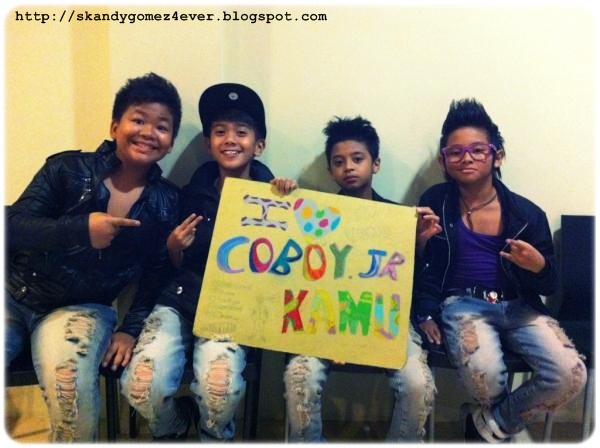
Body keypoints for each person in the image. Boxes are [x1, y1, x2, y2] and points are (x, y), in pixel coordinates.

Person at [5, 72, 182, 442]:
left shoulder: (167, 201)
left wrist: (129, 329)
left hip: (81, 309)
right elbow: (13, 225)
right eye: (138, 120)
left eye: (161, 126)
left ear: (170, 143)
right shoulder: (66, 169)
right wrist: (79, 229)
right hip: (11, 293)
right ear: (115, 126)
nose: (148, 132)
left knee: (73, 407)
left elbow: (156, 273)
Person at [120, 82, 296, 441]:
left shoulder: (275, 199)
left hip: (234, 309)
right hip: (180, 302)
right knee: (141, 385)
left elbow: (288, 263)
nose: (230, 139)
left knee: (219, 391)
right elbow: (168, 265)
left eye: (241, 132)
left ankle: (214, 435)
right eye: (220, 131)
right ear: (208, 142)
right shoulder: (186, 195)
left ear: (259, 145)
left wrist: (288, 200)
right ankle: (174, 426)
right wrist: (173, 247)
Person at [413, 98, 587, 443]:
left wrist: (538, 265)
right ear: (443, 160)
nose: (466, 158)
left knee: (570, 374)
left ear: (498, 156)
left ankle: (487, 425)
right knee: (486, 375)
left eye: (478, 150)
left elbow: (551, 285)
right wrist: (425, 309)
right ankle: (501, 428)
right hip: (462, 305)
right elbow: (420, 268)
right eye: (455, 152)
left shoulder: (527, 214)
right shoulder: (435, 201)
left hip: (520, 306)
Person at [283, 116, 441, 442]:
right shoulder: (314, 216)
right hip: (325, 316)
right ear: (330, 170)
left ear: (375, 164)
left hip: (385, 317)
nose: (349, 168)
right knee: (300, 378)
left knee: (418, 384)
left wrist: (421, 243)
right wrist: (284, 196)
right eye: (339, 162)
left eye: (358, 159)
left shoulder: (398, 218)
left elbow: (409, 281)